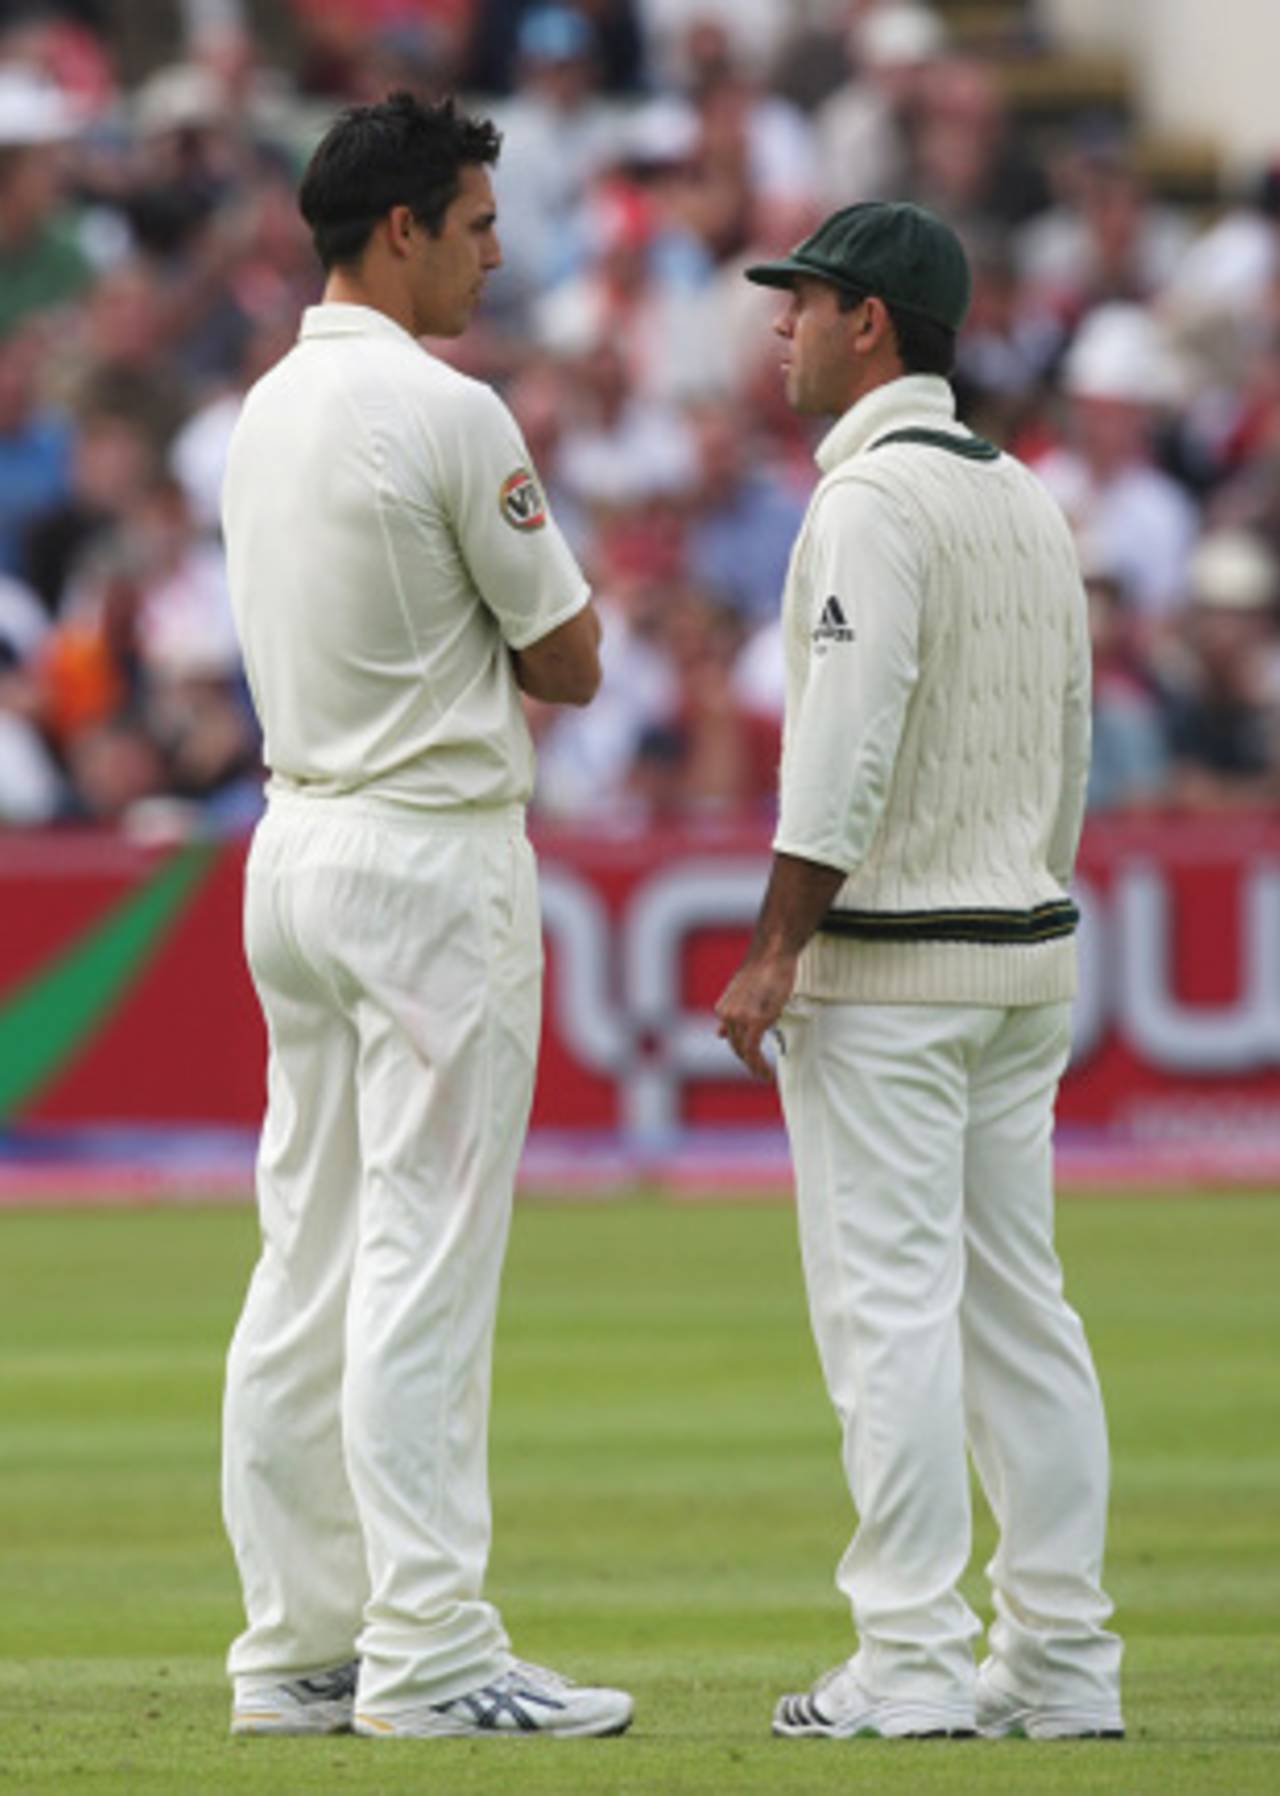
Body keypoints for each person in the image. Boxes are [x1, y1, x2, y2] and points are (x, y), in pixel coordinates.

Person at [219, 91, 633, 1743]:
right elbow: (577, 660)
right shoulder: (449, 409)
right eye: (474, 224)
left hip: (292, 845)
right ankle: (433, 1652)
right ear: (399, 230)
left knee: (306, 1250)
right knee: (423, 1260)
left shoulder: (257, 409)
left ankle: (297, 1647)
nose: (495, 252)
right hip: (425, 856)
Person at [715, 201, 1123, 1742]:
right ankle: (1064, 1665)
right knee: (1023, 1312)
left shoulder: (871, 503)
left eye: (802, 303)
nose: (782, 328)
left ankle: (907, 1664)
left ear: (870, 323)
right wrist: (1032, 890)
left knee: (887, 1312)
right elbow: (1068, 744)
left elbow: (843, 741)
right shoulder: (1026, 496)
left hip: (891, 976)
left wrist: (776, 947)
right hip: (1020, 957)